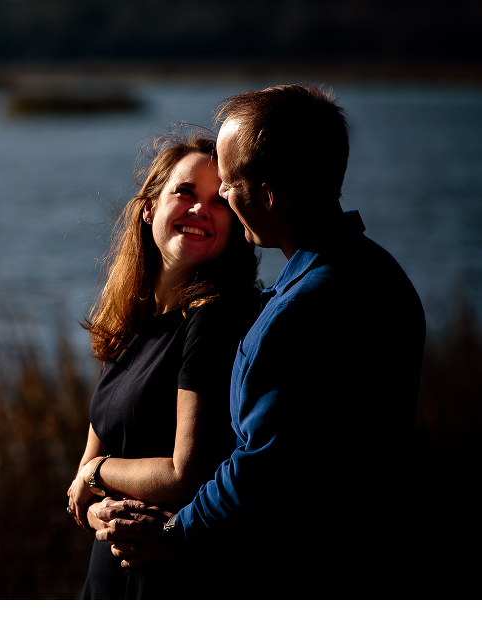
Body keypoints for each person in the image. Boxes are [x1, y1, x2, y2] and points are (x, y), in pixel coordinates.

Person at [94, 85, 426, 598]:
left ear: (268, 195)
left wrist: (174, 533)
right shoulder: (380, 273)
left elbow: (262, 467)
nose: (222, 196)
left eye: (228, 184)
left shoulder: (301, 309)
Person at [67, 126, 260, 599]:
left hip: (171, 578)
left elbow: (183, 475)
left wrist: (95, 477)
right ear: (150, 206)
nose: (201, 210)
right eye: (186, 192)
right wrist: (97, 510)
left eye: (219, 201)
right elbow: (85, 481)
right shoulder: (130, 319)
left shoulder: (213, 321)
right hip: (108, 573)